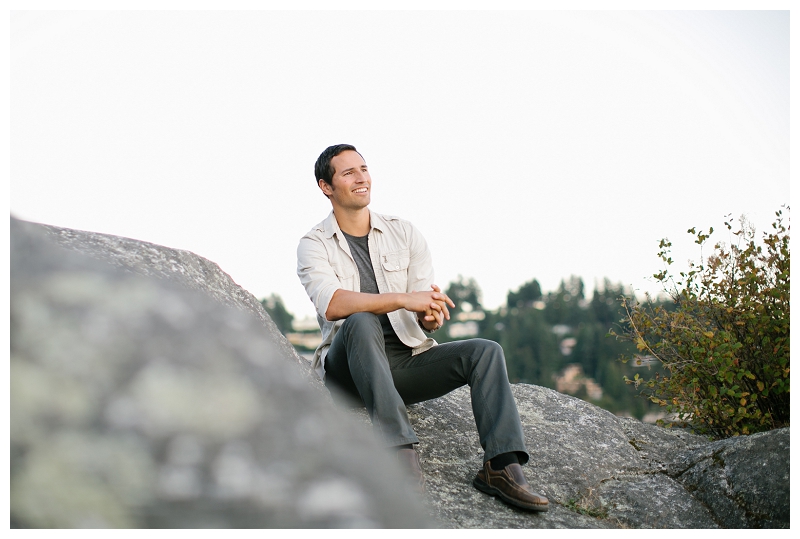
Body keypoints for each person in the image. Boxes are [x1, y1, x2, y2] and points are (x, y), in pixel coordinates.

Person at [296, 144, 549, 512]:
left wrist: (426, 316)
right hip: (348, 370)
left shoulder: (404, 233)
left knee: (485, 351)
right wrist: (403, 299)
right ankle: (399, 452)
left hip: (403, 362)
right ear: (326, 186)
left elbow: (420, 306)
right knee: (361, 320)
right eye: (348, 172)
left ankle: (501, 467)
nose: (361, 177)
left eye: (364, 169)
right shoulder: (313, 244)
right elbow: (333, 305)